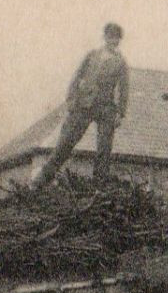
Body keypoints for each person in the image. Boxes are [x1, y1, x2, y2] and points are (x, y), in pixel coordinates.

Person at [32, 22, 130, 184]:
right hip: (84, 104)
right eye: (111, 38)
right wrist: (71, 100)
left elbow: (124, 89)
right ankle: (42, 178)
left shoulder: (121, 63)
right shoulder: (92, 55)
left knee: (104, 149)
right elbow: (77, 77)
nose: (113, 42)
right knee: (67, 141)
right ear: (105, 37)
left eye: (117, 39)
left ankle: (99, 183)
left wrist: (120, 113)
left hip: (106, 108)